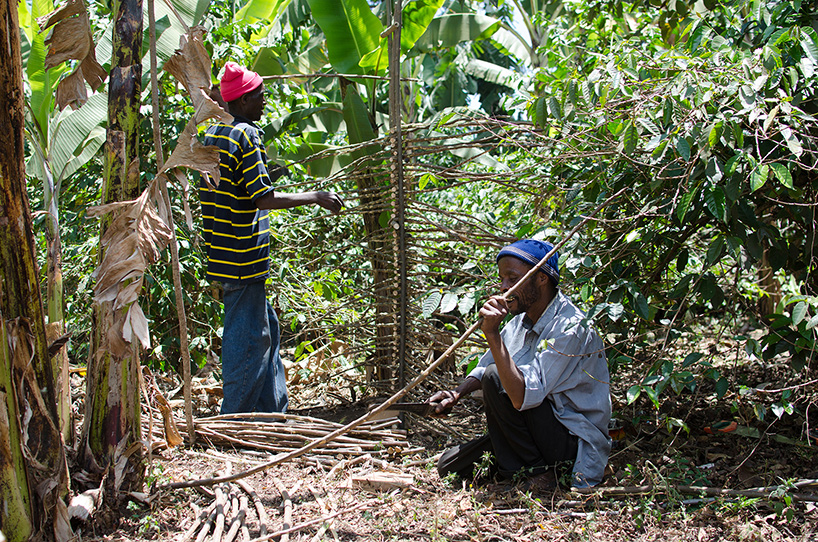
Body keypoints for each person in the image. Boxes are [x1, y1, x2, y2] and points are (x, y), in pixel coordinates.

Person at [201, 62, 344, 414]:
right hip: (243, 258)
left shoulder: (214, 133)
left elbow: (233, 185)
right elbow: (262, 198)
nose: (265, 102)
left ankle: (272, 411)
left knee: (267, 331)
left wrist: (271, 171)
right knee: (245, 339)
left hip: (222, 252)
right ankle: (234, 418)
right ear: (244, 101)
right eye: (260, 97)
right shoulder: (248, 135)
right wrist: (316, 197)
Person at [428, 239, 611, 488]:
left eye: (512, 279)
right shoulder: (520, 321)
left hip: (568, 438)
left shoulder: (570, 328)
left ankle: (539, 473)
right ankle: (517, 468)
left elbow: (522, 396)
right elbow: (484, 367)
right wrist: (456, 394)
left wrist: (491, 335)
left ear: (542, 278)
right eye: (502, 279)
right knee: (450, 465)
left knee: (497, 378)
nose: (504, 288)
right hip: (533, 432)